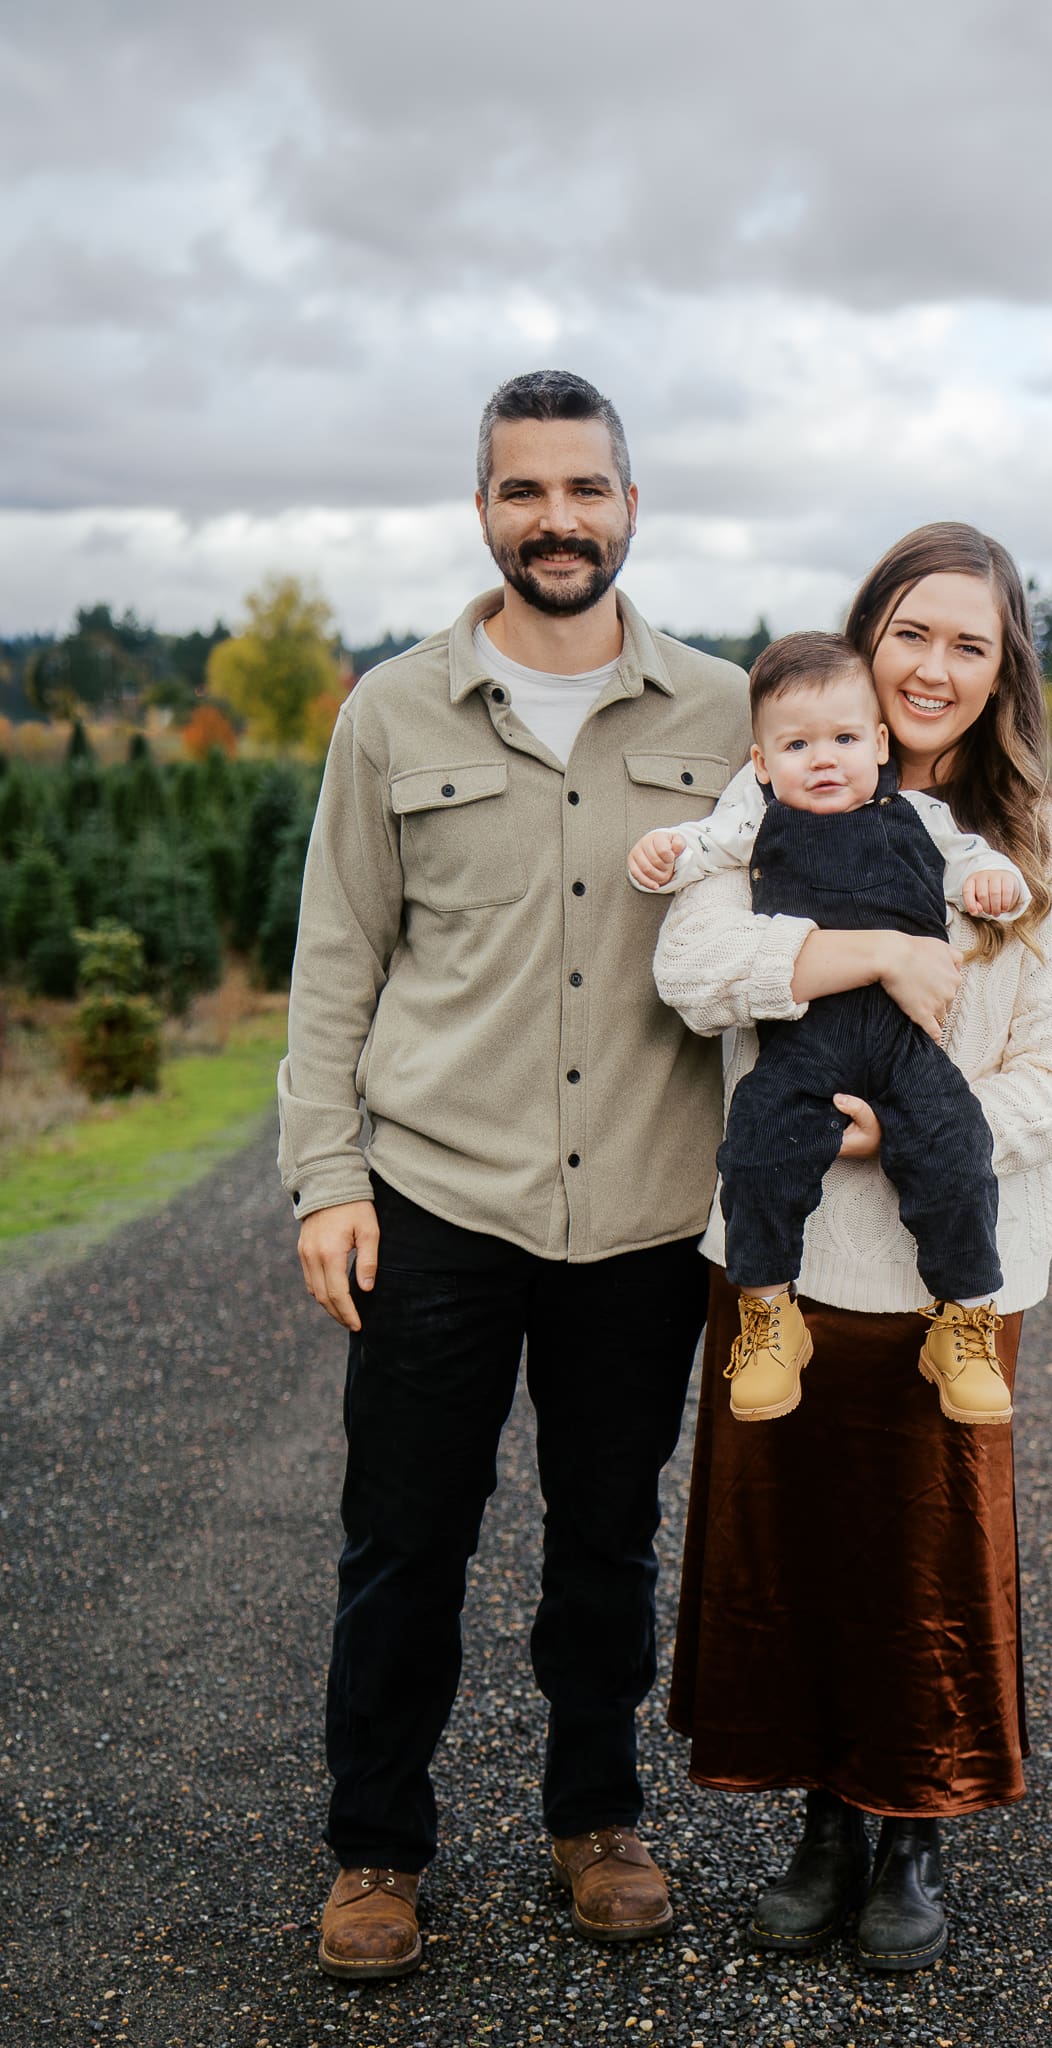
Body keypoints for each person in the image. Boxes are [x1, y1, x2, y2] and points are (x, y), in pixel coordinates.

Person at [278, 370, 750, 1979]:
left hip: (642, 1206)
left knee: (608, 1533)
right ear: (481, 507)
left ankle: (595, 1818)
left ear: (632, 503)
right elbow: (334, 963)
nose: (556, 518)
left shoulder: (728, 713)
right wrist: (325, 1178)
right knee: (403, 1539)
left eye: (584, 489)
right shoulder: (390, 712)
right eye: (523, 490)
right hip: (439, 1199)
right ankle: (374, 1850)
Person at [655, 522, 1052, 1972]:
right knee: (787, 1550)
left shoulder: (1034, 848)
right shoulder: (777, 784)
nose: (930, 667)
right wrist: (872, 956)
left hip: (939, 1280)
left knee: (921, 1564)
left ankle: (909, 1828)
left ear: (1000, 670)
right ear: (865, 641)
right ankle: (818, 1824)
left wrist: (905, 1127)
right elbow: (691, 967)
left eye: (964, 644)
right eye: (908, 633)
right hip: (782, 1269)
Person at [628, 629, 1029, 1425]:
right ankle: (770, 1315)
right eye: (796, 744)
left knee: (955, 1146)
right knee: (755, 1148)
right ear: (760, 761)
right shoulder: (757, 826)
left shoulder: (919, 816)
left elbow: (989, 867)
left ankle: (962, 1318)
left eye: (844, 739)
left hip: (904, 1042)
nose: (823, 759)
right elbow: (694, 853)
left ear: (878, 744)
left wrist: (994, 883)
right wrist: (661, 848)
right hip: (803, 1042)